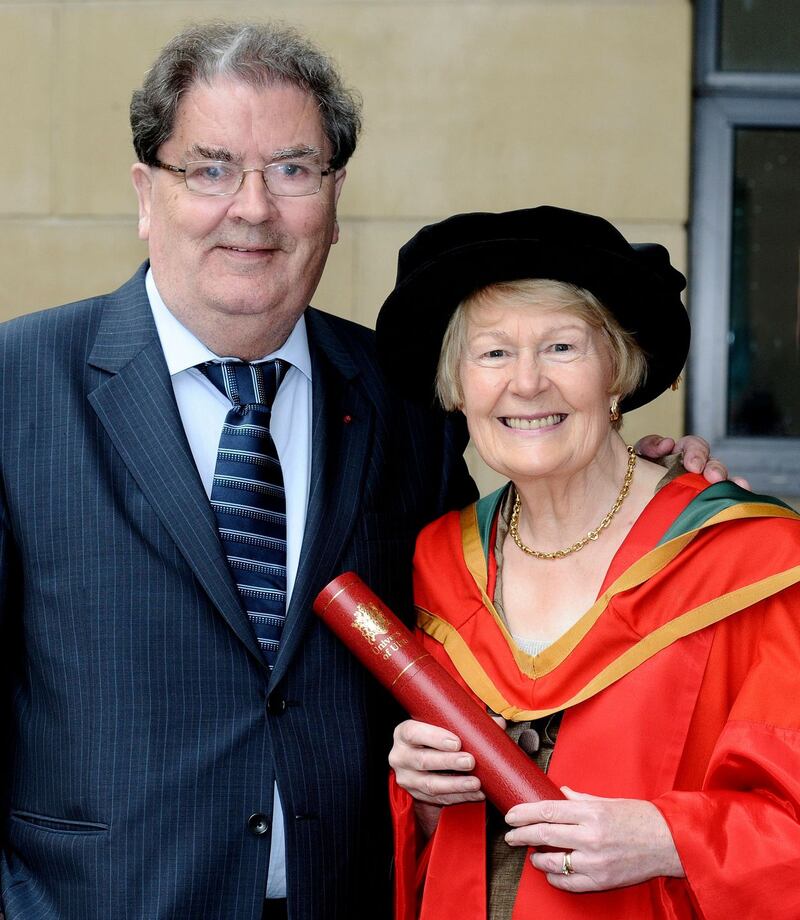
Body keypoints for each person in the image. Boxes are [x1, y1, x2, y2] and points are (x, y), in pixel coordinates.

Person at [0, 21, 729, 920]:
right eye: (212, 167)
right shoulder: (18, 386)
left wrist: (644, 493)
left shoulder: (404, 397)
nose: (254, 207)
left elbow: (494, 599)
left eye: (294, 169)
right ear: (147, 192)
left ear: (334, 201)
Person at [379, 206, 800, 920]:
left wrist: (671, 839)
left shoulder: (752, 562)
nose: (527, 382)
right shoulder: (443, 563)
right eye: (492, 353)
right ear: (459, 389)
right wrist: (420, 792)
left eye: (562, 348)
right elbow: (442, 848)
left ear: (619, 373)